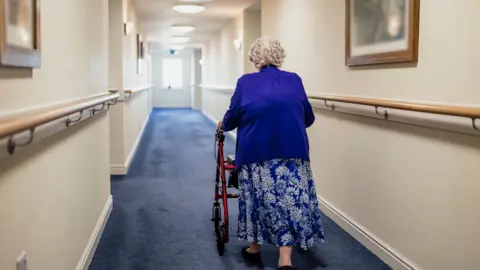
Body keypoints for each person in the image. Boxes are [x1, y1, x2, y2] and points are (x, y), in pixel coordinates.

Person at [217, 37, 324, 270]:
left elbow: (232, 117)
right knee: (290, 202)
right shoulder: (294, 80)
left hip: (256, 153)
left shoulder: (245, 82)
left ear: (255, 59)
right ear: (279, 56)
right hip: (293, 151)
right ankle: (285, 259)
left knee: (256, 198)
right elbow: (309, 118)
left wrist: (221, 125)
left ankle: (254, 248)